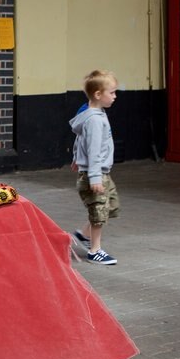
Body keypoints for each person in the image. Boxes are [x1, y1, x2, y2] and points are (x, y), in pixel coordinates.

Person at [69, 69, 120, 265]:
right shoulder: (95, 120)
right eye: (112, 92)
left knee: (111, 207)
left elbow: (79, 140)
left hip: (100, 173)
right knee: (98, 212)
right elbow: (93, 149)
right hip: (95, 175)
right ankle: (94, 250)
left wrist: (76, 157)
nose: (115, 96)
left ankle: (83, 234)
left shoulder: (94, 113)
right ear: (98, 95)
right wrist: (95, 177)